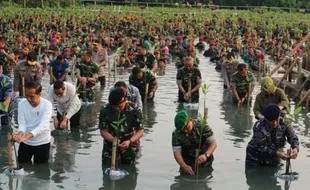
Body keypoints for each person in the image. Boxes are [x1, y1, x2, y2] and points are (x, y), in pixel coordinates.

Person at [98, 88, 144, 164]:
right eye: (114, 107)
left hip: (129, 143)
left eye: (119, 106)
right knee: (107, 167)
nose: (117, 109)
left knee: (130, 168)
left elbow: (140, 131)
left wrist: (129, 141)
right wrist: (114, 140)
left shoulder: (135, 110)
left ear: (125, 100)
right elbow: (103, 131)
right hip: (110, 143)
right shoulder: (105, 110)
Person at [13, 81, 53, 164]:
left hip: (42, 142)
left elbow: (43, 126)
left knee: (41, 170)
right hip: (26, 143)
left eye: (31, 96)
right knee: (22, 165)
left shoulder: (47, 105)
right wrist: (20, 135)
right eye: (26, 95)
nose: (28, 99)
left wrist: (26, 137)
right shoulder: (22, 103)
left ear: (39, 95)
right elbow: (22, 123)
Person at [172, 110, 217, 175]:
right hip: (187, 161)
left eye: (186, 127)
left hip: (205, 160)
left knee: (204, 179)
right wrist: (184, 166)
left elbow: (213, 144)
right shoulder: (176, 133)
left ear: (190, 120)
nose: (185, 131)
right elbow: (177, 152)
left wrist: (206, 155)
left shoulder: (202, 126)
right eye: (182, 130)